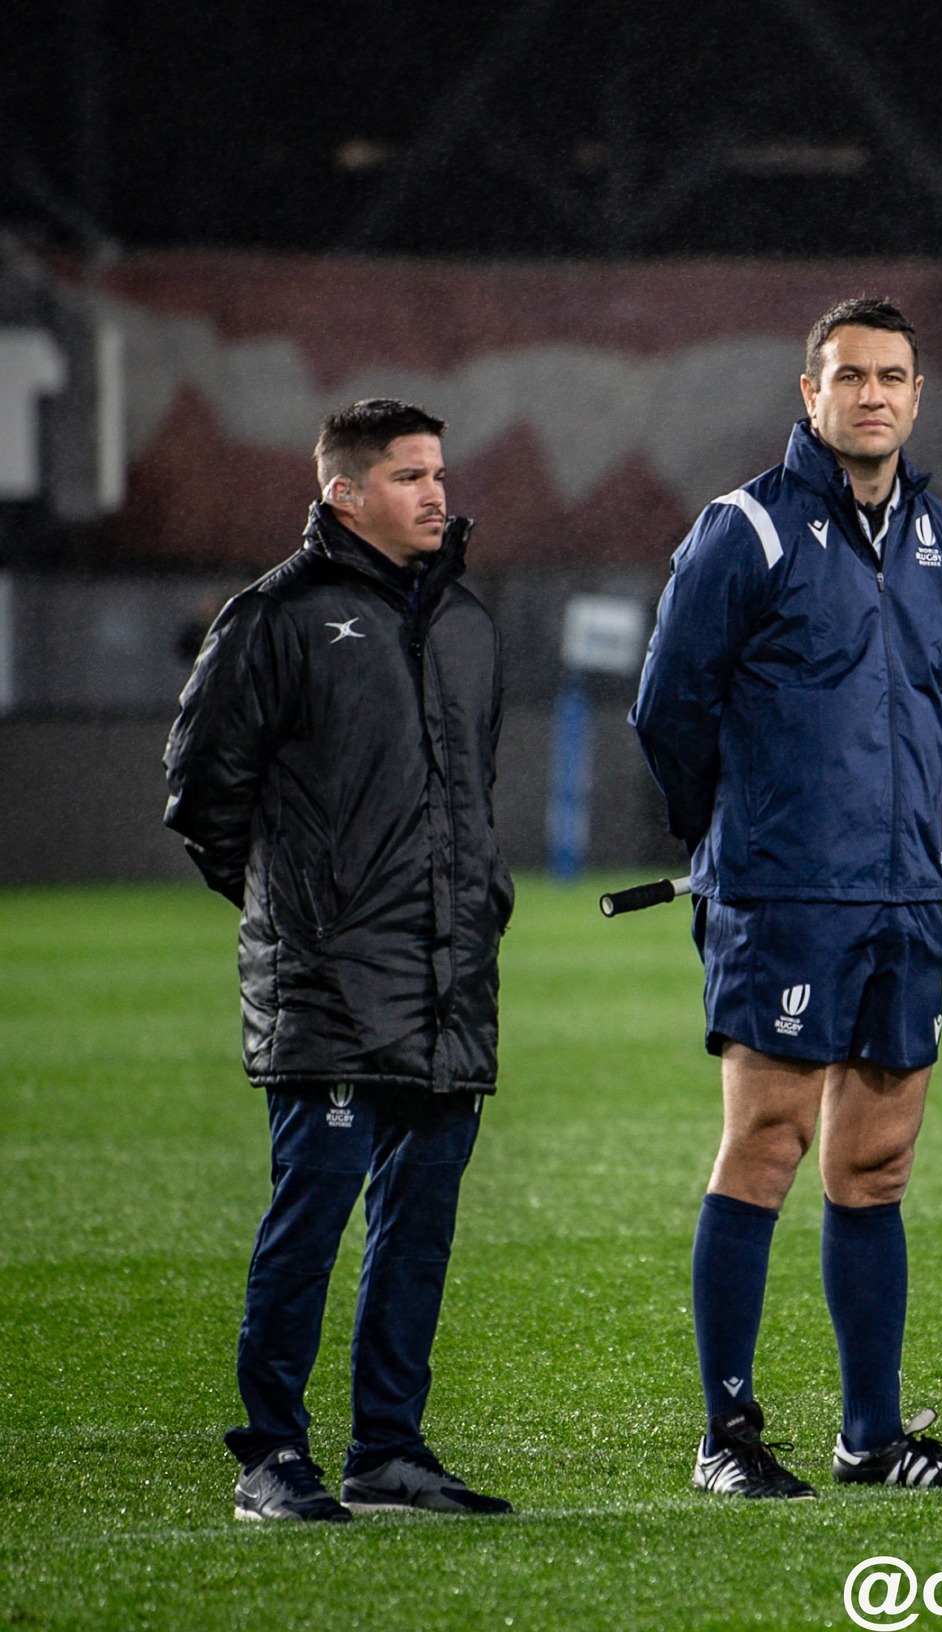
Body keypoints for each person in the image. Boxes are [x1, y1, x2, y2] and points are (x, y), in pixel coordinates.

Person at [632, 298, 942, 1497]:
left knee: (878, 1166)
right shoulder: (744, 528)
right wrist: (734, 831)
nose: (874, 395)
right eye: (850, 376)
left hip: (905, 889)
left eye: (894, 375)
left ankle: (870, 1436)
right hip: (785, 892)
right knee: (766, 1144)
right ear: (810, 394)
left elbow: (931, 690)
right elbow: (666, 707)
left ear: (916, 392)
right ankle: (724, 1437)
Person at [164, 399, 515, 1522]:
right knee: (308, 1223)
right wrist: (298, 912)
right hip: (326, 981)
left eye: (438, 473)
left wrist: (475, 903)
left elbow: (472, 799)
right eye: (408, 475)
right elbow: (203, 797)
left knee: (418, 1228)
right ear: (343, 495)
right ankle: (271, 1453)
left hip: (445, 979)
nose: (434, 493)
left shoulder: (465, 620)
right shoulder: (275, 617)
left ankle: (389, 1450)